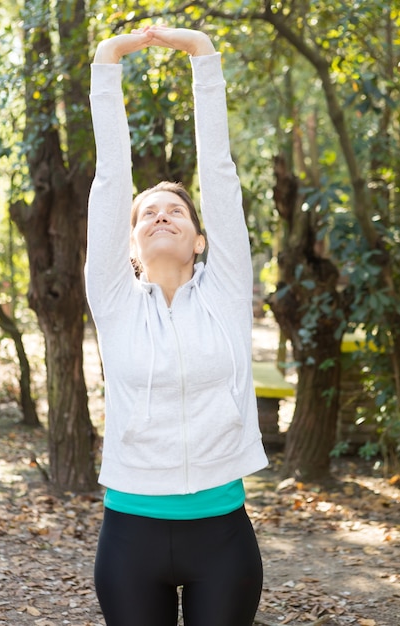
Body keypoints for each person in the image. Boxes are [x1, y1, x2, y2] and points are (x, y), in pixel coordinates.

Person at [86, 24, 269, 626]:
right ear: (130, 245)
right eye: (149, 214)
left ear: (199, 238)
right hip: (129, 538)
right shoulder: (114, 300)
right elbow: (112, 182)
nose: (162, 216)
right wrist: (108, 63)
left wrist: (204, 58)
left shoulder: (222, 291)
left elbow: (218, 172)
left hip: (222, 537)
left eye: (177, 211)